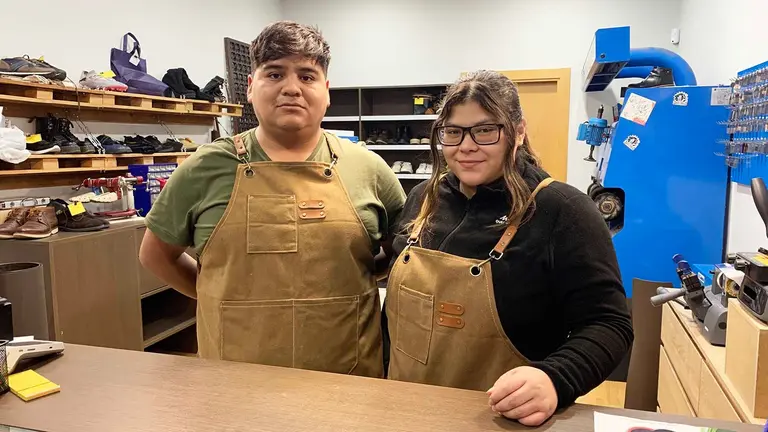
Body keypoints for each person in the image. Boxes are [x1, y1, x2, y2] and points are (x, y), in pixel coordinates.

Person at [139, 21, 405, 378]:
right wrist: (221, 300)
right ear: (251, 87)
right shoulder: (205, 167)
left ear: (326, 90)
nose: (291, 88)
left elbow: (404, 253)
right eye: (275, 74)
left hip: (347, 373)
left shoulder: (368, 168)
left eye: (307, 76)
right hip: (234, 375)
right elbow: (155, 255)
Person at [385, 70, 633, 426]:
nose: (466, 146)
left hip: (501, 419)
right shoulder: (423, 200)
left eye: (485, 130)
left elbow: (608, 324)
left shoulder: (562, 211)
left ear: (518, 131)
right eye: (453, 132)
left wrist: (555, 378)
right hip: (404, 409)